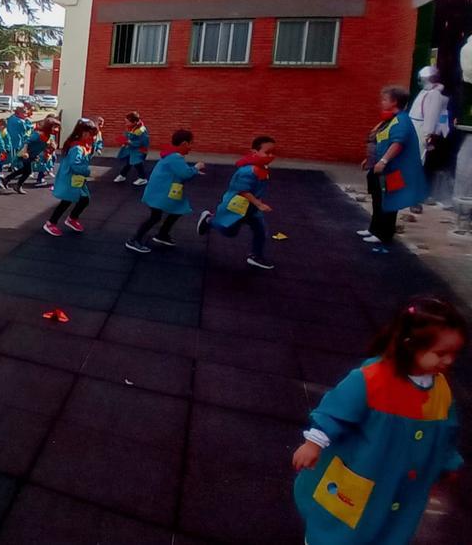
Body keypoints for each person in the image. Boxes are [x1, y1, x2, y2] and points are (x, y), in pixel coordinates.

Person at [292, 296, 465, 545]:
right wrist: (315, 442)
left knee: (391, 529)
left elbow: (447, 430)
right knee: (338, 531)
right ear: (410, 344)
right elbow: (336, 410)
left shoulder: (440, 390)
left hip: (399, 485)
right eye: (441, 353)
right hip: (365, 473)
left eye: (454, 353)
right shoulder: (372, 379)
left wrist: (448, 463)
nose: (449, 361)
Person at [358, 87, 428, 252]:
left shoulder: (401, 120)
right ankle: (373, 229)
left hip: (394, 170)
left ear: (394, 101)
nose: (381, 102)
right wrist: (370, 160)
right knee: (377, 199)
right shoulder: (389, 120)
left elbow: (397, 143)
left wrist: (383, 160)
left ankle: (384, 233)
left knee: (388, 201)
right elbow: (381, 141)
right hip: (380, 168)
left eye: (384, 99)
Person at [196, 136, 277, 270]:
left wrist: (257, 204)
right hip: (237, 206)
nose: (271, 155)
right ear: (254, 152)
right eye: (267, 152)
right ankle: (209, 220)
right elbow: (243, 190)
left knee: (261, 230)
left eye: (272, 152)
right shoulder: (247, 171)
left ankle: (255, 256)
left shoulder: (262, 168)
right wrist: (259, 204)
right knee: (229, 231)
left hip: (252, 209)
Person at [125, 129, 206, 253]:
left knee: (177, 210)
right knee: (156, 217)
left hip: (160, 192)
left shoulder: (172, 155)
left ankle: (162, 234)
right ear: (184, 144)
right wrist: (196, 167)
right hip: (159, 193)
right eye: (191, 143)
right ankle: (134, 240)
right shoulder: (175, 157)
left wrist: (191, 170)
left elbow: (180, 170)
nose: (191, 146)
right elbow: (185, 174)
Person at [44, 118, 99, 236]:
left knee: (84, 199)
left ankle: (72, 218)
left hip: (77, 179)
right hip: (70, 178)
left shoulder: (83, 145)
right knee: (67, 201)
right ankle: (50, 223)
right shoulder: (77, 148)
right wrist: (89, 172)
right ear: (83, 133)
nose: (93, 138)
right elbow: (75, 165)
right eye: (92, 134)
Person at [407, 66, 450, 212]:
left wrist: (428, 135)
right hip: (415, 126)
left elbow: (431, 116)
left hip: (421, 130)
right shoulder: (425, 92)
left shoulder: (434, 95)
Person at [4, 116, 60, 194]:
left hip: (31, 155)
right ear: (49, 127)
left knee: (24, 170)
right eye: (55, 127)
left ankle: (7, 179)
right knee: (28, 171)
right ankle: (17, 185)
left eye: (57, 127)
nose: (57, 130)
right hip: (26, 154)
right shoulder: (38, 134)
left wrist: (48, 150)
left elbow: (42, 146)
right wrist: (25, 152)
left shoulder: (48, 136)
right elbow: (27, 141)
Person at [112, 111, 150, 186]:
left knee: (137, 162)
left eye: (127, 122)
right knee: (129, 162)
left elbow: (141, 142)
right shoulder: (133, 127)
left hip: (139, 150)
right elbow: (129, 136)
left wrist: (128, 142)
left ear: (134, 122)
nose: (126, 123)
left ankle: (143, 178)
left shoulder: (141, 130)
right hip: (132, 149)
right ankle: (123, 175)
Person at [31, 118, 60, 187]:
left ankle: (40, 178)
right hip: (43, 153)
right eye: (55, 127)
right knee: (43, 166)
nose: (57, 129)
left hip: (46, 153)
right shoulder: (42, 134)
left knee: (44, 166)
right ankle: (40, 179)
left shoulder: (48, 134)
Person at [4, 106, 34, 171]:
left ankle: (12, 165)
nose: (26, 115)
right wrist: (30, 124)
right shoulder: (21, 121)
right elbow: (26, 128)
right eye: (24, 113)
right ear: (18, 113)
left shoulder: (11, 118)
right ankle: (15, 166)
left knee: (12, 153)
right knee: (17, 153)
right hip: (17, 140)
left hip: (11, 139)